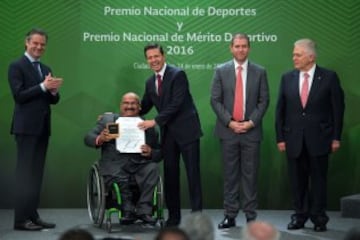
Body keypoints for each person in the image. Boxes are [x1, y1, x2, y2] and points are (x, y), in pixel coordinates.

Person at [275, 38, 345, 232]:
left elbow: (338, 109)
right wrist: (280, 137)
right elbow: (280, 110)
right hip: (293, 140)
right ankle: (299, 216)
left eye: (298, 54)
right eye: (293, 54)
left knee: (319, 181)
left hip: (320, 139)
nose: (294, 58)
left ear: (311, 57)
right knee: (297, 182)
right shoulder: (287, 78)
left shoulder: (329, 77)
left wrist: (336, 137)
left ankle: (319, 218)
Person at [138, 43, 203, 227]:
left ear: (163, 56)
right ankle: (174, 217)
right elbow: (143, 106)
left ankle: (197, 218)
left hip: (188, 131)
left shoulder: (177, 74)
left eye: (156, 56)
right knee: (170, 176)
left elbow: (176, 104)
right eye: (149, 58)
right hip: (168, 135)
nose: (153, 60)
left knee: (193, 175)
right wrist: (120, 116)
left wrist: (154, 122)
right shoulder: (150, 83)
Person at [210, 33, 270, 229]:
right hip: (228, 131)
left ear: (249, 48)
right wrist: (230, 122)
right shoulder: (220, 70)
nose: (240, 49)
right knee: (230, 175)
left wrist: (251, 122)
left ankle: (251, 216)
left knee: (250, 175)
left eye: (244, 46)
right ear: (231, 48)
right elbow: (215, 100)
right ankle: (230, 215)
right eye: (237, 46)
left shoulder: (260, 71)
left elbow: (264, 101)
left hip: (251, 131)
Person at [8, 28, 63, 231]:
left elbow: (51, 100)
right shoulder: (16, 65)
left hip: (42, 128)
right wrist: (42, 86)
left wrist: (53, 91)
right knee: (24, 175)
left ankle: (33, 215)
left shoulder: (45, 67)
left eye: (42, 44)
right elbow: (19, 96)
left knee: (36, 174)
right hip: (25, 129)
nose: (39, 47)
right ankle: (20, 220)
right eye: (35, 43)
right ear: (27, 42)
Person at [84, 92, 161, 225]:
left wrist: (151, 152)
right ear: (120, 105)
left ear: (139, 107)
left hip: (139, 165)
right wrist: (101, 138)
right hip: (115, 164)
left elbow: (159, 152)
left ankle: (144, 210)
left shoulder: (148, 126)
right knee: (117, 173)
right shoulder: (109, 121)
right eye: (126, 103)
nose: (129, 106)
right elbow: (88, 137)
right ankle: (127, 210)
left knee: (153, 168)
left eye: (133, 103)